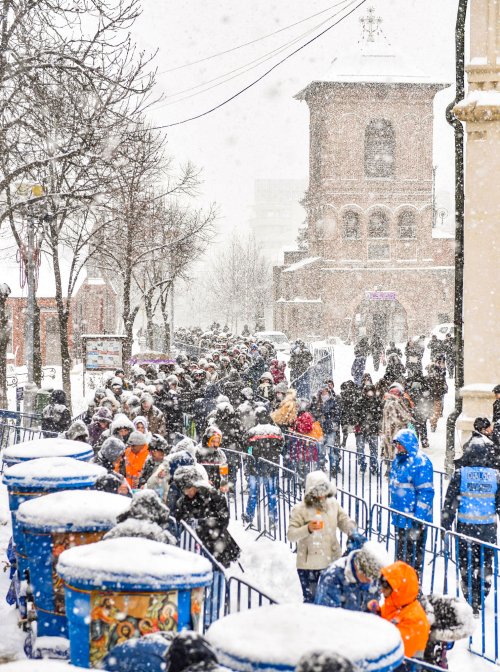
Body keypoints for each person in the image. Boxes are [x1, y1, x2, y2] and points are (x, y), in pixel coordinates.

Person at [441, 417, 500, 615]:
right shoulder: (495, 476)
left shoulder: (461, 474)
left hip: (466, 528)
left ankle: (471, 598)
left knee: (466, 563)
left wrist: (445, 524)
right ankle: (482, 594)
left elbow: (450, 502)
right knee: (485, 563)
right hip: (488, 530)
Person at [287, 470, 356, 603]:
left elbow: (343, 520)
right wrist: (308, 528)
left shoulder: (333, 504)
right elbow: (291, 535)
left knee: (330, 600)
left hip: (331, 561)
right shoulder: (300, 509)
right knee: (312, 602)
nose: (322, 495)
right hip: (309, 566)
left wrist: (351, 529)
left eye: (324, 490)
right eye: (317, 491)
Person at [174, 466, 240, 568]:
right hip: (192, 546)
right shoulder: (182, 502)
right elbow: (179, 522)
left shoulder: (213, 496)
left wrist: (204, 524)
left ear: (195, 485)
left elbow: (224, 520)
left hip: (215, 542)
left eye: (188, 489)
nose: (186, 493)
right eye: (184, 490)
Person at [389, 428, 434, 576]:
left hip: (414, 521)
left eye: (400, 444)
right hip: (400, 519)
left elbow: (426, 492)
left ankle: (413, 588)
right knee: (401, 559)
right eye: (396, 444)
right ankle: (401, 588)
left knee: (413, 561)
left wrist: (418, 518)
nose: (398, 447)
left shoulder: (421, 462)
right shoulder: (398, 461)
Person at [369, 561, 430, 660]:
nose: (382, 590)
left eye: (386, 587)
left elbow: (390, 648)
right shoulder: (395, 605)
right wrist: (376, 613)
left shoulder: (415, 620)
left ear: (399, 589)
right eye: (382, 585)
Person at [243, 407, 284, 528]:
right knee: (271, 494)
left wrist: (252, 454)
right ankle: (273, 519)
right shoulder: (277, 431)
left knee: (253, 494)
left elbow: (247, 448)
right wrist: (274, 455)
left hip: (255, 467)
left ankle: (249, 516)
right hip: (271, 467)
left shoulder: (252, 432)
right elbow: (281, 447)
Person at [315, 545, 383, 611]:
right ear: (357, 568)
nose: (370, 581)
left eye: (373, 579)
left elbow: (374, 608)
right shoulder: (332, 578)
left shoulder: (374, 575)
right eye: (367, 578)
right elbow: (328, 615)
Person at [311, 382, 342, 473]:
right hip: (320, 429)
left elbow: (337, 414)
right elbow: (313, 414)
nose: (324, 393)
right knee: (321, 451)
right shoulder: (316, 402)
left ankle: (333, 467)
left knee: (332, 449)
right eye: (322, 391)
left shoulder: (333, 401)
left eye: (325, 391)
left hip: (330, 429)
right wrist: (319, 418)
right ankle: (321, 466)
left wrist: (332, 421)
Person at [353, 384, 382, 474]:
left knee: (374, 449)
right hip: (361, 428)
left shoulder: (377, 401)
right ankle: (362, 464)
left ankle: (373, 466)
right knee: (360, 448)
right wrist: (359, 421)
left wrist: (376, 423)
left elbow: (380, 414)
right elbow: (354, 414)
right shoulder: (359, 401)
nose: (370, 393)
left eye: (371, 390)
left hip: (373, 428)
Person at [381, 384, 413, 464]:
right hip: (394, 432)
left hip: (389, 432)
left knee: (391, 452)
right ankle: (392, 471)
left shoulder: (389, 402)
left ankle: (390, 468)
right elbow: (398, 418)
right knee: (395, 453)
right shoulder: (393, 403)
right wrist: (408, 418)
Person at [195, 426, 228, 492]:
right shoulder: (197, 452)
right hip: (200, 490)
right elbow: (193, 472)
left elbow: (224, 473)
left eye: (217, 442)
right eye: (213, 441)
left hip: (216, 490)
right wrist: (203, 481)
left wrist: (224, 484)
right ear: (207, 440)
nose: (215, 444)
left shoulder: (220, 454)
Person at [427, 364, 448, 433]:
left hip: (430, 397)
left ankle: (432, 423)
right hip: (437, 397)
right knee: (436, 412)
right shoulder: (441, 377)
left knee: (432, 411)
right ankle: (433, 424)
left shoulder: (428, 377)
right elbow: (445, 388)